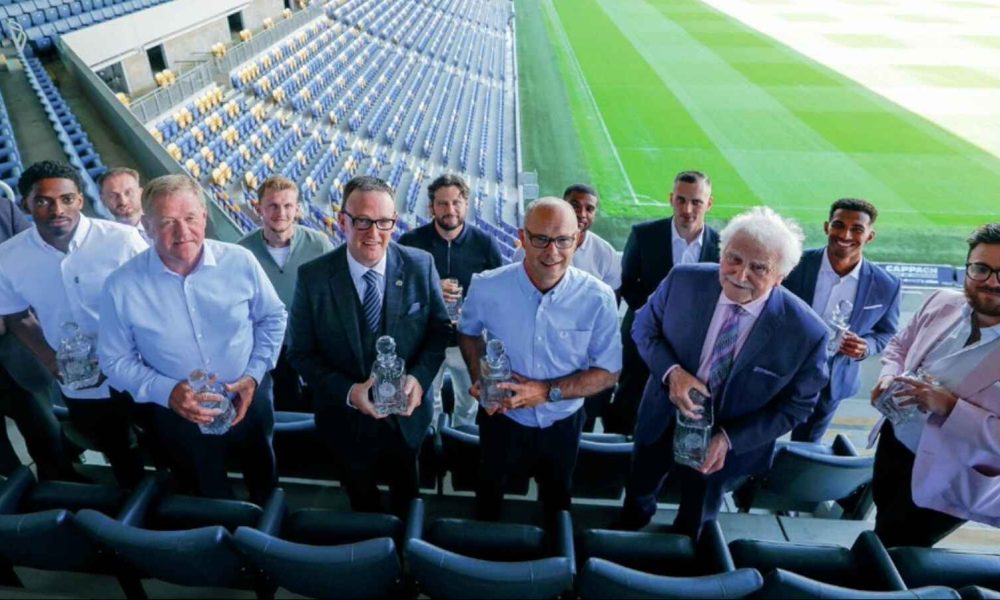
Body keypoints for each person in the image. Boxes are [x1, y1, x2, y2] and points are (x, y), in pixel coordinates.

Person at [618, 206, 828, 539]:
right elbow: (644, 328)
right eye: (733, 259)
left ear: (780, 277)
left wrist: (729, 440)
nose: (739, 275)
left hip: (725, 448)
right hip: (660, 420)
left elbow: (797, 406)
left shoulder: (807, 333)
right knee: (638, 494)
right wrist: (672, 373)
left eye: (759, 267)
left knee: (696, 524)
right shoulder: (682, 280)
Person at [99, 174, 286, 504]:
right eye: (168, 221)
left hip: (249, 396)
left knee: (263, 478)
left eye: (189, 218)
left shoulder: (240, 261)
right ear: (147, 225)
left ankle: (270, 541)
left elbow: (273, 317)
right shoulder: (121, 285)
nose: (182, 232)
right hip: (178, 413)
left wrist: (254, 376)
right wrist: (168, 392)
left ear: (204, 216)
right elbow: (114, 361)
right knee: (205, 493)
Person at [288, 175, 450, 516]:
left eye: (384, 222)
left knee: (408, 497)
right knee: (361, 504)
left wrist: (418, 380)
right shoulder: (313, 277)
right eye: (362, 221)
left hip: (406, 419)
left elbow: (438, 333)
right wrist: (349, 392)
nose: (374, 233)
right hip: (345, 421)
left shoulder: (421, 265)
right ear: (342, 219)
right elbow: (300, 353)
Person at [459, 197, 621, 522]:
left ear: (576, 239)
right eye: (540, 239)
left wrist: (546, 392)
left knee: (557, 502)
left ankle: (553, 566)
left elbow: (608, 373)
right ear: (521, 236)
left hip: (563, 422)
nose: (552, 252)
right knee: (488, 496)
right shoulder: (488, 286)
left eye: (563, 240)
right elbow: (468, 333)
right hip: (501, 419)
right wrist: (479, 377)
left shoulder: (599, 298)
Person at [0, 160, 148, 487]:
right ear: (26, 204)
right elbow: (17, 315)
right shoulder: (8, 258)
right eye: (43, 201)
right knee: (118, 453)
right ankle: (138, 518)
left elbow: (156, 301)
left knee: (164, 444)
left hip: (140, 368)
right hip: (80, 380)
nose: (57, 210)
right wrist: (51, 360)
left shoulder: (123, 241)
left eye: (67, 199)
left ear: (80, 199)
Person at [868, 223, 1000, 547]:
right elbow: (900, 346)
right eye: (981, 268)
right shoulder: (942, 301)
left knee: (900, 552)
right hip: (894, 444)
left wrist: (951, 407)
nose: (993, 282)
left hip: (951, 478)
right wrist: (887, 376)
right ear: (967, 268)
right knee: (880, 534)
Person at [609, 171, 720, 434]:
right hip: (642, 334)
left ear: (709, 204)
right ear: (671, 199)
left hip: (691, 345)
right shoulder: (644, 234)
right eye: (681, 200)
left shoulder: (721, 246)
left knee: (680, 403)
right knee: (629, 396)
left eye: (696, 202)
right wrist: (655, 314)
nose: (687, 209)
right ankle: (617, 459)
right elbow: (628, 283)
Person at [782, 198, 901, 442]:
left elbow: (887, 333)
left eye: (857, 229)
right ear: (827, 227)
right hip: (782, 367)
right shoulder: (793, 264)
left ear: (870, 236)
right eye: (838, 225)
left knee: (806, 445)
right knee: (757, 434)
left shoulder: (886, 285)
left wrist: (865, 347)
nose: (845, 234)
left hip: (832, 380)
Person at [511, 185, 621, 432]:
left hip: (584, 358)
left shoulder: (606, 254)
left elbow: (611, 307)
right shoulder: (526, 251)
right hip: (538, 350)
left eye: (589, 208)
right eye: (575, 205)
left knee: (580, 422)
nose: (582, 213)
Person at [399, 173, 503, 427]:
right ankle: (433, 449)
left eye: (456, 202)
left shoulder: (484, 243)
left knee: (468, 403)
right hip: (425, 341)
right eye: (443, 203)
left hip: (467, 341)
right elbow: (397, 290)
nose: (450, 209)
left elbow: (498, 294)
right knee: (426, 400)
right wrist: (433, 287)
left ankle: (458, 450)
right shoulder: (411, 243)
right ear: (431, 206)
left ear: (466, 204)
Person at [238, 175, 333, 412]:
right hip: (267, 348)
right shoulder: (241, 251)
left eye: (288, 205)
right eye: (272, 205)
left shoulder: (319, 244)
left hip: (313, 345)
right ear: (258, 208)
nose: (281, 212)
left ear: (297, 209)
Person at [0, 191, 77, 480]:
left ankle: (63, 483)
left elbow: (36, 261)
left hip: (18, 346)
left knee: (45, 426)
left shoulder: (4, 210)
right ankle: (16, 503)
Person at [98, 167, 151, 244]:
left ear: (141, 193)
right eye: (113, 195)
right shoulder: (107, 241)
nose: (123, 201)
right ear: (103, 200)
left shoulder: (166, 226)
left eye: (129, 193)